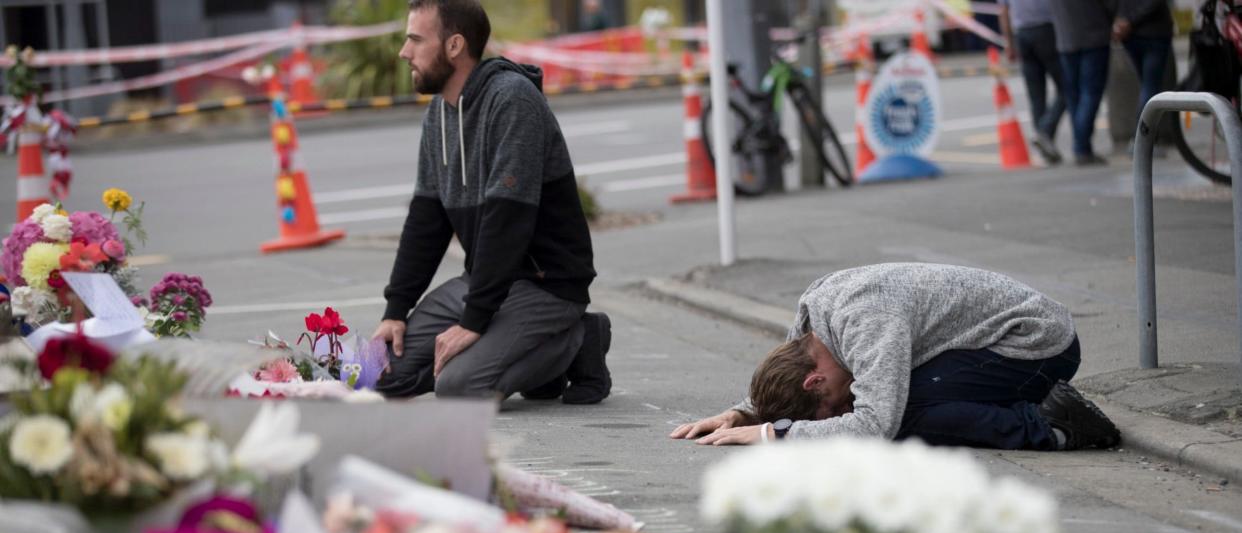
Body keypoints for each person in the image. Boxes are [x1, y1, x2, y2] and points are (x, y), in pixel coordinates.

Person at [374, 0, 612, 404]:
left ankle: (578, 337)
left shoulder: (512, 101)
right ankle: (536, 369)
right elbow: (426, 221)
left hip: (546, 284)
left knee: (460, 388)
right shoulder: (439, 115)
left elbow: (509, 219)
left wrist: (474, 321)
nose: (404, 52)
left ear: (454, 46)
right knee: (386, 375)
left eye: (415, 39)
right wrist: (396, 309)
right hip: (487, 278)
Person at [670, 263, 1121, 451]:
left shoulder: (864, 324)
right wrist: (743, 412)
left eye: (831, 409)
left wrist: (777, 435)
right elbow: (784, 388)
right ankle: (1029, 408)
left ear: (815, 383)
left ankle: (1051, 427)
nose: (838, 412)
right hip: (994, 340)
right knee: (895, 395)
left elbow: (873, 424)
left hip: (1037, 346)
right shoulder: (812, 328)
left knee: (900, 412)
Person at [1047, 0, 1117, 165]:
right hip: (1093, 37)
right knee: (1090, 93)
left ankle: (1081, 146)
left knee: (1074, 97)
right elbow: (1110, 5)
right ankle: (1082, 147)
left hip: (1066, 40)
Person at [1000, 0, 1066, 164]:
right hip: (1046, 30)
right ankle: (1045, 132)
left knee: (1036, 95)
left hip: (1022, 33)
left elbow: (1004, 12)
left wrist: (1009, 43)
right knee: (1067, 88)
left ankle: (1044, 143)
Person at [1113, 0, 1175, 128]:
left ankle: (1142, 136)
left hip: (1131, 33)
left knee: (1147, 85)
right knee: (1150, 87)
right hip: (1153, 32)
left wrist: (1120, 21)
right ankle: (1142, 135)